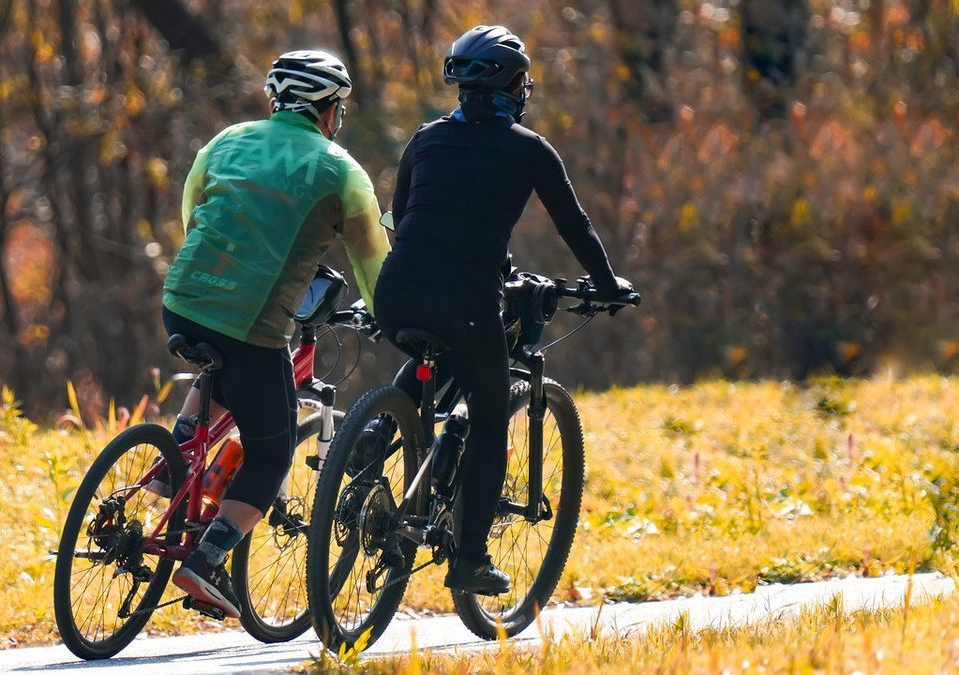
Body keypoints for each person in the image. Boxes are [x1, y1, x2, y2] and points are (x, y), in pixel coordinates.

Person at [372, 25, 636, 595]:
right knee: (490, 416)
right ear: (516, 86)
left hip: (395, 291)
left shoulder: (424, 139)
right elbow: (575, 225)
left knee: (431, 358)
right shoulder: (527, 148)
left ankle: (370, 449)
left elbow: (405, 216)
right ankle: (469, 559)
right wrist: (608, 284)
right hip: (465, 301)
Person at [161, 50, 390, 618]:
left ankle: (167, 471)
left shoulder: (227, 140)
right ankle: (205, 562)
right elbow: (371, 259)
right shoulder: (341, 170)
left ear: (275, 100)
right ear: (330, 110)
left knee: (223, 373)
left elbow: (194, 212)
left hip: (181, 300)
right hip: (252, 322)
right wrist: (388, 311)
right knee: (273, 449)